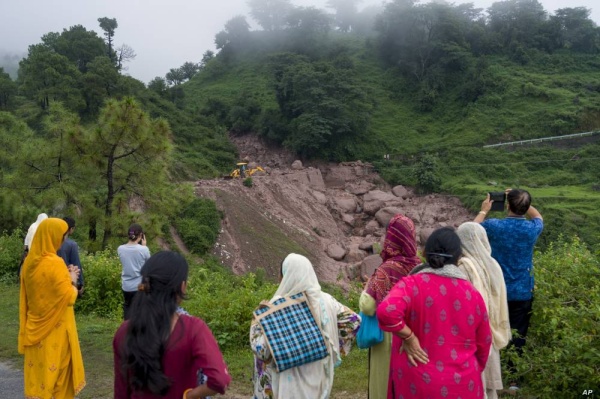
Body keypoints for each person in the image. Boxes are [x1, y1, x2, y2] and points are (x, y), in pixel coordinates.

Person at [377, 227, 492, 398]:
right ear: (458, 257)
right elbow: (484, 344)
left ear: (425, 253)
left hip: (418, 383)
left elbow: (387, 312)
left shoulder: (411, 285)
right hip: (463, 383)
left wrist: (409, 337)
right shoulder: (472, 294)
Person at [113, 251, 231, 398]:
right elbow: (220, 380)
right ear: (182, 286)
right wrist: (188, 396)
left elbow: (121, 391)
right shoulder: (193, 329)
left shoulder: (124, 331)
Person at [250, 253, 361, 399]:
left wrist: (254, 326)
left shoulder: (276, 307)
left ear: (284, 276)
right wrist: (329, 345)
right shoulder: (326, 301)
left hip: (285, 385)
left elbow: (262, 351)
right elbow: (354, 321)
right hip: (318, 379)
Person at [474, 189, 543, 390]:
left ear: (507, 205)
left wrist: (484, 210)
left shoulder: (494, 226)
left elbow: (470, 230)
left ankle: (491, 375)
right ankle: (513, 381)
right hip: (522, 291)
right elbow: (537, 216)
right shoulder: (532, 229)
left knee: (493, 331)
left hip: (496, 290)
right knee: (518, 335)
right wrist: (522, 201)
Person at [19, 217, 86, 398]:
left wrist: (66, 275)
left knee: (39, 380)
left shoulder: (28, 263)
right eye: (62, 235)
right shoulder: (55, 263)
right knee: (58, 378)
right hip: (56, 329)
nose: (63, 239)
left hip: (35, 328)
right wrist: (71, 278)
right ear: (55, 236)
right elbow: (69, 296)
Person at [359, 213, 421, 399]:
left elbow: (368, 306)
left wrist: (367, 287)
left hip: (388, 335)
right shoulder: (419, 267)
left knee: (384, 384)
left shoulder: (386, 269)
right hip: (414, 333)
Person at [457, 222, 512, 399]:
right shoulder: (493, 264)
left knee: (476, 383)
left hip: (474, 335)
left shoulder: (463, 267)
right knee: (489, 388)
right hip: (492, 331)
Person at [118, 223, 151, 320]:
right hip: (139, 286)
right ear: (141, 235)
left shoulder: (120, 248)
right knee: (140, 309)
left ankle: (126, 329)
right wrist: (144, 246)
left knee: (128, 307)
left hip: (126, 285)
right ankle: (138, 331)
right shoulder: (143, 249)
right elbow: (149, 266)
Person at [58, 217, 84, 297]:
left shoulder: (51, 241)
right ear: (71, 229)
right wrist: (80, 283)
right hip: (67, 279)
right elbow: (76, 264)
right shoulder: (72, 244)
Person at [18, 212, 48, 278]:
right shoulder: (39, 227)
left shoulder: (33, 226)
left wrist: (25, 248)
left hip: (30, 252)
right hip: (37, 252)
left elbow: (27, 238)